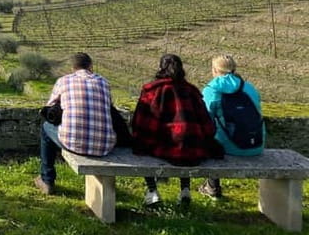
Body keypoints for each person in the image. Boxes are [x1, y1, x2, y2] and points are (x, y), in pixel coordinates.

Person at [131, 53, 221, 206]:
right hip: (194, 150)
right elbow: (207, 124)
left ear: (160, 68)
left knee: (142, 143)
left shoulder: (152, 90)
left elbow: (142, 124)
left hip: (166, 147)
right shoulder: (192, 91)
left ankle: (152, 191)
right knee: (185, 139)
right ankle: (185, 190)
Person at [35, 52, 116, 195]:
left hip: (73, 142)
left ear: (73, 68)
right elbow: (109, 106)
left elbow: (49, 108)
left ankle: (46, 179)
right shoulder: (103, 82)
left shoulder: (64, 81)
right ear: (91, 66)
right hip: (104, 145)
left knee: (46, 128)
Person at [199, 54, 265, 200]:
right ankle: (211, 185)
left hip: (229, 148)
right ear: (234, 69)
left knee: (211, 132)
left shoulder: (211, 90)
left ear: (215, 70)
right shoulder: (249, 88)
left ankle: (212, 185)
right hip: (256, 145)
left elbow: (205, 121)